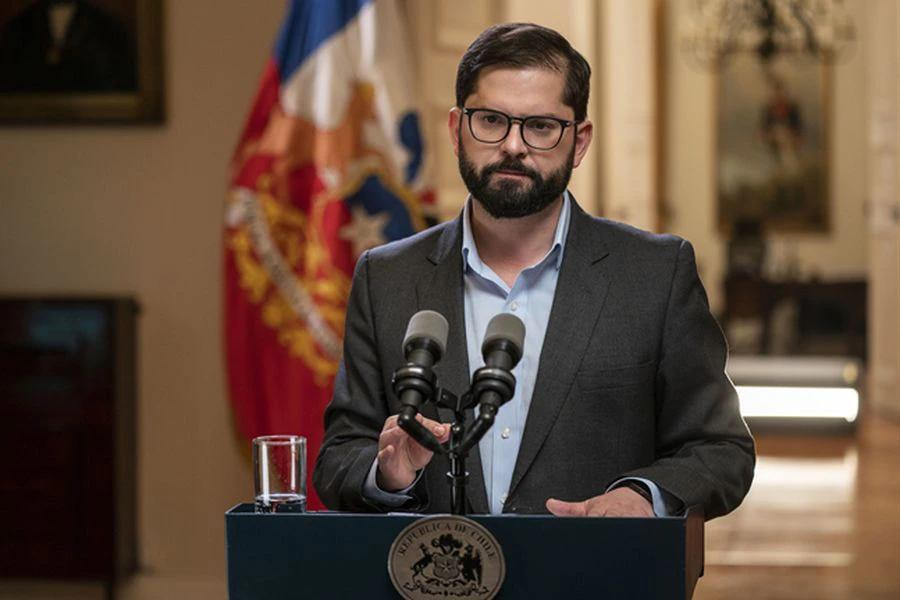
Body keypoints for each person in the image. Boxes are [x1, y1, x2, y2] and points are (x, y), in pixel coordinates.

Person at [313, 23, 755, 519]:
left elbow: (721, 449)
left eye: (541, 126)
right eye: (491, 120)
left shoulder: (655, 275)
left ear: (579, 141)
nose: (513, 146)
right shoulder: (386, 277)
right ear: (457, 129)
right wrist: (387, 472)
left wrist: (645, 496)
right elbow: (338, 457)